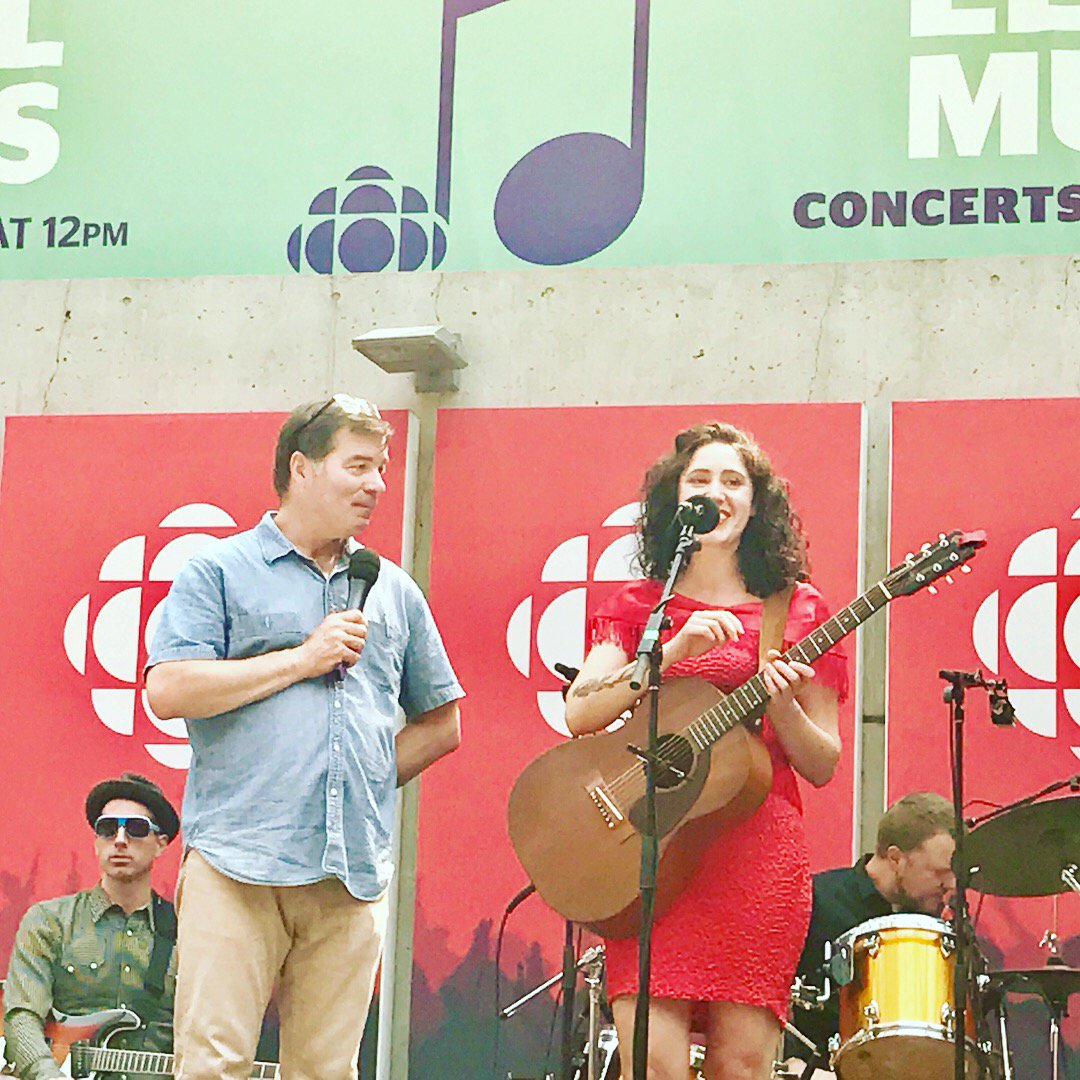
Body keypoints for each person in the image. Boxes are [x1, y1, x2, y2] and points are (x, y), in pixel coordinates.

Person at [144, 394, 463, 1080]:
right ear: (302, 468)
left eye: (381, 468)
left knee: (327, 1072)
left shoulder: (393, 590)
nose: (377, 485)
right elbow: (168, 690)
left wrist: (365, 780)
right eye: (358, 466)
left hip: (347, 876)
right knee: (213, 1067)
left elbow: (442, 724)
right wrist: (302, 658)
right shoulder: (218, 571)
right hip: (236, 863)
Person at [564, 421, 847, 1080]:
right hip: (652, 853)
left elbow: (824, 761)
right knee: (653, 1065)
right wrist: (671, 652)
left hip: (757, 851)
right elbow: (581, 710)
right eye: (700, 479)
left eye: (732, 481)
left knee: (741, 1066)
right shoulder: (640, 605)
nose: (716, 492)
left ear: (755, 503)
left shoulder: (798, 609)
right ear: (675, 498)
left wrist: (780, 703)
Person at [2, 772, 179, 1079]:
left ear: (160, 844)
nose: (120, 840)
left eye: (136, 829)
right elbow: (21, 1016)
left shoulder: (188, 934)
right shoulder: (50, 921)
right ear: (97, 842)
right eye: (108, 829)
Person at [783, 790, 957, 1073]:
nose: (950, 884)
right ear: (896, 858)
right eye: (940, 872)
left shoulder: (936, 934)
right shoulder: (817, 901)